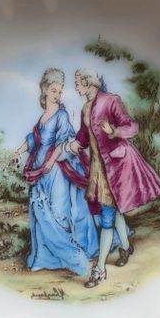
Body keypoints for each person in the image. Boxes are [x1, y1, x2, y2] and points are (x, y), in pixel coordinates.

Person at [69, 68, 160, 288]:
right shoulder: (85, 108)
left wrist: (114, 131)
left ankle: (99, 270)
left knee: (107, 217)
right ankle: (126, 248)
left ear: (88, 83)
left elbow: (132, 127)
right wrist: (75, 144)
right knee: (113, 210)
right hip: (99, 169)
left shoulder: (111, 100)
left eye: (78, 82)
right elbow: (84, 136)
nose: (76, 86)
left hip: (117, 166)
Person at [13, 68, 99, 276]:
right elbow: (33, 140)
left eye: (60, 91)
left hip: (55, 171)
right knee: (41, 213)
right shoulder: (42, 117)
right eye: (53, 90)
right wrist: (18, 151)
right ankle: (45, 258)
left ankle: (72, 258)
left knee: (59, 213)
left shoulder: (61, 115)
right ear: (44, 90)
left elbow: (64, 142)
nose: (57, 95)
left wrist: (51, 161)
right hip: (38, 171)